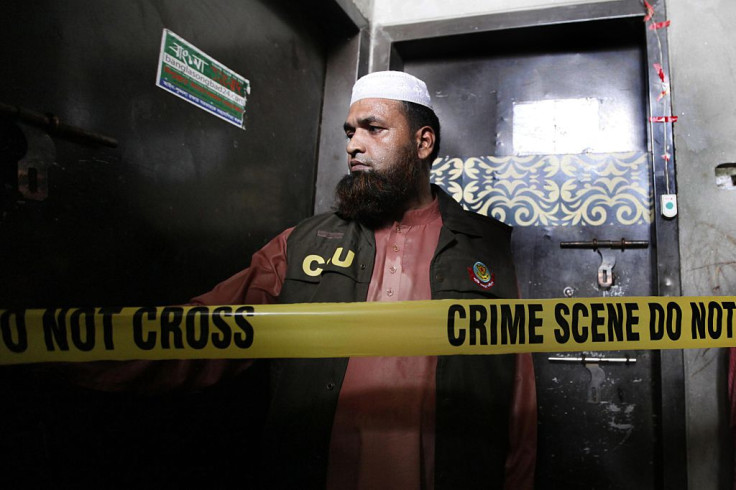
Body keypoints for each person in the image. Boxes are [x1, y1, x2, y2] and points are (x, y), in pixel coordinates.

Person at [187, 71, 537, 489]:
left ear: (423, 143)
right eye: (351, 132)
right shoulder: (301, 243)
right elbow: (203, 331)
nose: (354, 145)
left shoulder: (486, 248)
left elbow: (518, 390)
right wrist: (95, 345)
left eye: (374, 129)